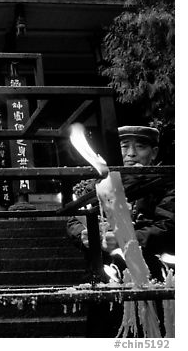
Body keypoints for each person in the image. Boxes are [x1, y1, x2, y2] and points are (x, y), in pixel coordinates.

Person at [66, 126, 175, 336]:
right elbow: (74, 219)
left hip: (154, 277)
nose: (131, 153)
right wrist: (84, 234)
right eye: (124, 146)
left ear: (154, 152)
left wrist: (126, 239)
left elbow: (168, 226)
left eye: (140, 146)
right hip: (107, 278)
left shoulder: (167, 183)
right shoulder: (98, 184)